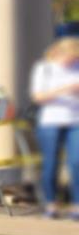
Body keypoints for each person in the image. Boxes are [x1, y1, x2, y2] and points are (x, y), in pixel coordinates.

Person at [31, 34, 79, 217]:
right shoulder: (45, 68)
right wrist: (66, 89)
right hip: (50, 121)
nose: (72, 60)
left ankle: (76, 205)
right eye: (71, 56)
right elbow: (38, 97)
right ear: (60, 52)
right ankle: (51, 204)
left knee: (76, 162)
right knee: (51, 163)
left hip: (75, 121)